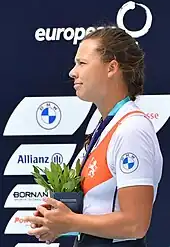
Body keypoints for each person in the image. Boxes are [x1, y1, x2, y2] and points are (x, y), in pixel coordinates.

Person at [23, 26, 163, 247]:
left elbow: (136, 224)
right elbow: (98, 209)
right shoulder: (106, 125)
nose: (72, 72)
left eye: (82, 63)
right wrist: (59, 225)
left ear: (112, 67)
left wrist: (71, 222)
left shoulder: (132, 129)